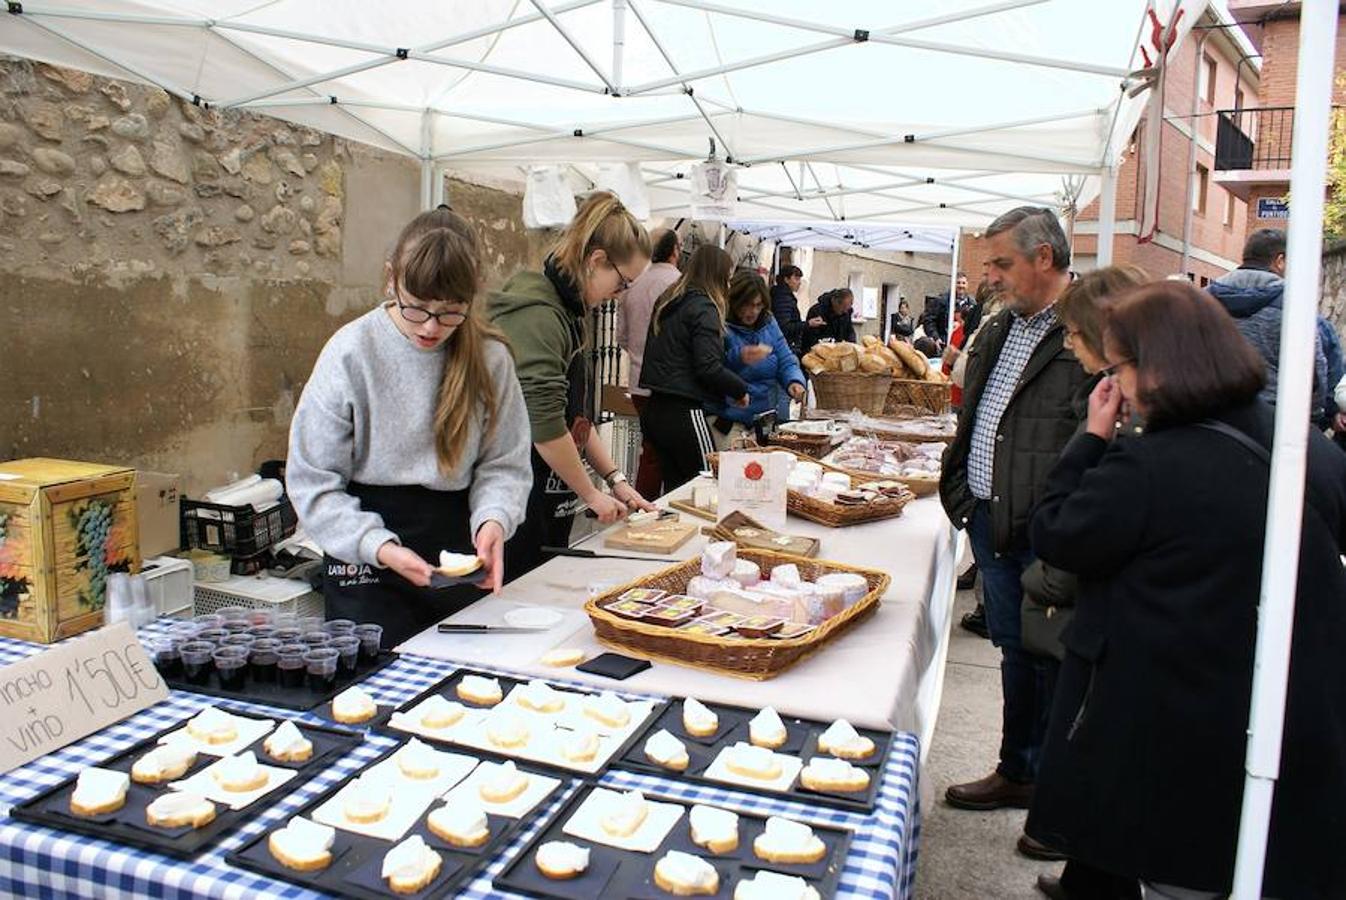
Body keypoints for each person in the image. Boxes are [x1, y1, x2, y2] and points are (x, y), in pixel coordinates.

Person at [1027, 281, 1346, 900]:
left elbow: (1058, 533)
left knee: (1179, 876)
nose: (1115, 382)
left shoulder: (1149, 466)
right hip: (1279, 710)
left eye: (1118, 367)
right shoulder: (1306, 448)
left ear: (1157, 367)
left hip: (1177, 723)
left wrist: (1090, 438)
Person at [287, 206, 533, 646]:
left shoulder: (491, 360)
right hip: (364, 553)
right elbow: (312, 482)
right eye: (416, 309)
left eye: (450, 312)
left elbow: (505, 465)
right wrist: (378, 546)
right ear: (391, 279)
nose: (432, 328)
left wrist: (494, 521)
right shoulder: (351, 353)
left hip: (457, 546)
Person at [939, 206, 1087, 813]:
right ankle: (1018, 770)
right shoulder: (1003, 326)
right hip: (990, 521)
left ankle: (1051, 792)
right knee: (1013, 651)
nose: (990, 276)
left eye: (1002, 263)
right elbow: (977, 418)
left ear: (1043, 258)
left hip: (1043, 534)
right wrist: (963, 496)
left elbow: (1089, 441)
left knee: (1050, 662)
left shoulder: (1085, 333)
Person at [1009, 264, 1148, 864]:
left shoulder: (1126, 420)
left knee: (1083, 732)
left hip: (1102, 615)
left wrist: (1044, 573)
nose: (1067, 345)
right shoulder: (1117, 399)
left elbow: (1069, 524)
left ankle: (1064, 833)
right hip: (1094, 604)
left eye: (1074, 334)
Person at [489, 192, 656, 581]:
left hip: (548, 500)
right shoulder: (538, 316)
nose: (621, 295)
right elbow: (545, 425)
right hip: (516, 499)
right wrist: (591, 494)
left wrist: (615, 481)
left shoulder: (569, 311)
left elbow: (575, 420)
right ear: (597, 261)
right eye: (623, 283)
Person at [639, 246, 751, 492]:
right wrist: (739, 389)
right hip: (684, 410)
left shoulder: (669, 300)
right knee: (706, 484)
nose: (729, 285)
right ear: (719, 276)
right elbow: (708, 366)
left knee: (675, 490)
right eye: (728, 278)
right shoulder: (704, 307)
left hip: (656, 408)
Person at [1208, 228, 1328, 420]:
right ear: (1280, 261)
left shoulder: (1201, 299)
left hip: (1208, 418)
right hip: (1274, 421)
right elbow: (1313, 372)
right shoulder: (1293, 306)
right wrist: (1311, 417)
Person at [616, 227, 681, 499]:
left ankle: (645, 504)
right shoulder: (681, 284)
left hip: (639, 381)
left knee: (649, 452)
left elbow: (621, 337)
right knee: (674, 454)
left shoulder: (634, 285)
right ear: (675, 251)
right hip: (672, 384)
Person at [715, 272, 806, 446]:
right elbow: (712, 367)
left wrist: (794, 380)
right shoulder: (719, 323)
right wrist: (739, 357)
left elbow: (785, 359)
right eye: (747, 305)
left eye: (758, 305)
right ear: (734, 301)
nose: (753, 311)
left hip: (763, 420)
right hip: (728, 420)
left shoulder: (769, 323)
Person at [801, 288, 857, 353]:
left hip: (838, 352)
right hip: (819, 352)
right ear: (835, 302)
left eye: (848, 308)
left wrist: (852, 346)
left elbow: (849, 331)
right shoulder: (817, 311)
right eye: (843, 308)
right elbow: (810, 339)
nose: (845, 311)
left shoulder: (846, 313)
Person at [771, 264, 806, 356]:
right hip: (784, 345)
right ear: (786, 279)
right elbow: (784, 326)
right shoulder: (783, 298)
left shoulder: (784, 295)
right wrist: (807, 324)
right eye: (796, 279)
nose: (799, 283)